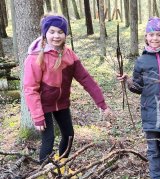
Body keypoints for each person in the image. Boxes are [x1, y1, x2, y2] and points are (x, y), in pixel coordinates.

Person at [24, 14, 111, 167]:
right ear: (45, 33)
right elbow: (30, 88)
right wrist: (37, 116)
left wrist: (101, 104)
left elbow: (86, 79)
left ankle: (62, 165)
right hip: (42, 105)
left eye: (60, 32)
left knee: (69, 135)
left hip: (62, 103)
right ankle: (43, 173)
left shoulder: (69, 54)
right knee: (48, 138)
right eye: (52, 32)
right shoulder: (36, 56)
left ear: (65, 34)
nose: (56, 36)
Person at [117, 17, 160, 179]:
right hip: (150, 112)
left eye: (158, 34)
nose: (155, 38)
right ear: (146, 36)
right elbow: (138, 87)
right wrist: (128, 81)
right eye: (151, 35)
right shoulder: (141, 61)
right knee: (153, 150)